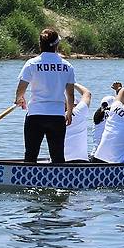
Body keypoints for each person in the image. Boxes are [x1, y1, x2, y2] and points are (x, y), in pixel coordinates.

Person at [15, 28, 75, 163]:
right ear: (57, 45)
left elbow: (21, 89)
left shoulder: (32, 63)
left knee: (31, 154)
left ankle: (26, 182)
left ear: (40, 44)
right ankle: (60, 181)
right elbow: (70, 95)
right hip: (57, 116)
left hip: (36, 114)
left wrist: (20, 99)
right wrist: (69, 113)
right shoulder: (67, 66)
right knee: (58, 156)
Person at [64, 83, 92, 162]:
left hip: (61, 161)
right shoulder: (79, 111)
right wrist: (72, 83)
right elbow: (87, 93)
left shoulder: (55, 116)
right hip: (81, 160)